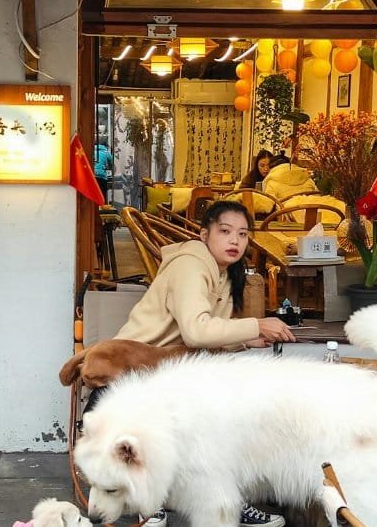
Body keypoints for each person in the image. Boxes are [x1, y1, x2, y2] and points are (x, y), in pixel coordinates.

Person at [109, 200, 296, 527]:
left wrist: (246, 340)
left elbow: (206, 335)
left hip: (177, 368)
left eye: (242, 234)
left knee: (239, 410)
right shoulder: (192, 266)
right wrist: (256, 325)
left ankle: (229, 500)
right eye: (224, 232)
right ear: (203, 234)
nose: (234, 241)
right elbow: (196, 332)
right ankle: (152, 499)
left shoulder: (223, 272)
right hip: (141, 368)